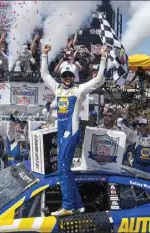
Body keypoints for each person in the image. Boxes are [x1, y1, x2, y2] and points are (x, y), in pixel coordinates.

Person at [41, 44, 106, 216]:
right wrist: (44, 55)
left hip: (72, 133)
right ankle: (78, 205)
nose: (68, 77)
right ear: (62, 76)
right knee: (65, 170)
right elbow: (45, 74)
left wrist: (104, 58)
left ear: (74, 75)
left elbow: (98, 80)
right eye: (65, 75)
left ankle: (67, 206)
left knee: (62, 167)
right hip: (61, 133)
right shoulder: (57, 89)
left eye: (70, 74)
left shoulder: (78, 90)